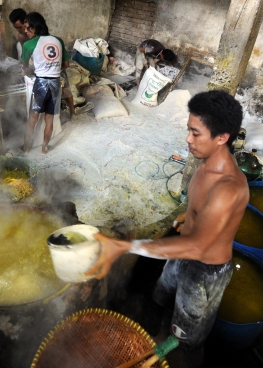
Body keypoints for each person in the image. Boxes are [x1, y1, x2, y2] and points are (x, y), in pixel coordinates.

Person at [87, 90, 249, 367]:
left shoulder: (228, 188)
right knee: (162, 299)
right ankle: (162, 338)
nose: (188, 139)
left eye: (196, 133)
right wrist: (188, 216)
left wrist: (125, 246)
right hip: (181, 252)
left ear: (222, 137)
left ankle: (181, 356)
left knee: (189, 337)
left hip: (204, 272)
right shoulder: (205, 162)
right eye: (189, 130)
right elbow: (197, 206)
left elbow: (199, 246)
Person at [21, 12, 70, 154]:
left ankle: (25, 149)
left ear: (35, 27)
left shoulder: (28, 44)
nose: (25, 31)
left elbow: (24, 65)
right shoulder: (58, 40)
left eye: (27, 27)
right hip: (55, 84)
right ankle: (44, 148)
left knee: (32, 118)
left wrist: (30, 69)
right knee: (49, 119)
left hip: (41, 84)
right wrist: (52, 68)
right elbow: (66, 64)